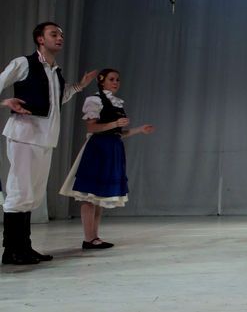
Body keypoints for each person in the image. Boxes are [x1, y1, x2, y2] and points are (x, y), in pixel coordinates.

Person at [1, 21, 97, 265]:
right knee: (20, 191)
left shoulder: (55, 71)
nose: (60, 37)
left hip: (45, 138)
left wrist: (80, 86)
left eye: (61, 34)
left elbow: (56, 99)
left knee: (33, 194)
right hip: (24, 134)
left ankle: (24, 247)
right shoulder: (23, 63)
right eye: (54, 34)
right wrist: (5, 102)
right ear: (40, 39)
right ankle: (11, 250)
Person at [59, 68, 154, 249]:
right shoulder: (94, 100)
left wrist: (139, 130)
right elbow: (92, 128)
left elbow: (118, 133)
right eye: (112, 79)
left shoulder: (116, 103)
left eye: (117, 79)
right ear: (101, 80)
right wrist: (115, 123)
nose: (116, 82)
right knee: (89, 195)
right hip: (98, 149)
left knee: (98, 197)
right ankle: (89, 238)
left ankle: (94, 237)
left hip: (112, 149)